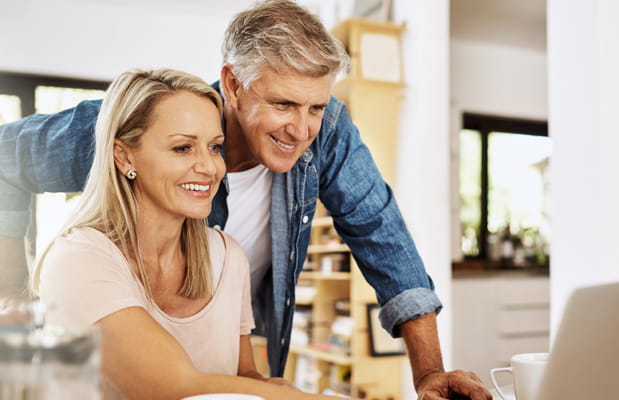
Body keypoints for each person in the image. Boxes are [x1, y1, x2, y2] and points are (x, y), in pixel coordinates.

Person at [0, 1, 492, 399]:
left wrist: (429, 372)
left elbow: (382, 234)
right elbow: (5, 157)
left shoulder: (235, 243)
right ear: (233, 84)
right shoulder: (138, 124)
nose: (302, 130)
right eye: (282, 104)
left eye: (315, 106)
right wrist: (11, 292)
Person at [33, 67, 346, 400]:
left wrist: (269, 385)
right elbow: (172, 388)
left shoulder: (227, 257)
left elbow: (243, 378)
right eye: (183, 148)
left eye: (214, 147)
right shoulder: (77, 260)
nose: (209, 168)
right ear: (124, 156)